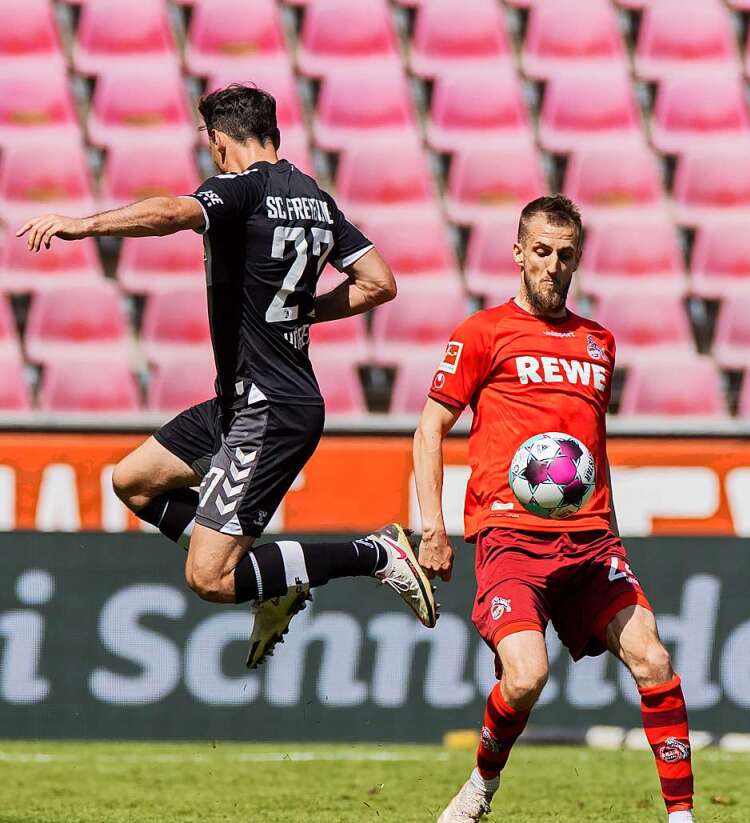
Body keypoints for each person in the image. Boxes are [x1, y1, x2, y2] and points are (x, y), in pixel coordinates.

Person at [18, 84, 437, 666]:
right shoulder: (314, 197)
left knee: (211, 579)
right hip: (241, 401)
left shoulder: (240, 188)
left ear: (217, 141)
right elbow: (379, 282)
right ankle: (275, 578)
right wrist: (304, 310)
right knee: (133, 481)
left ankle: (373, 553)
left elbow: (171, 212)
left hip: (268, 406)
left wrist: (83, 226)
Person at [412, 195, 727, 823]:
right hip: (508, 537)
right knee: (525, 677)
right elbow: (430, 427)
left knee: (653, 657)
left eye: (565, 255)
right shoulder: (481, 333)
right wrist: (432, 527)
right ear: (517, 252)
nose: (553, 266)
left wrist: (605, 524)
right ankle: (478, 788)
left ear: (576, 260)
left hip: (589, 541)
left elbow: (588, 447)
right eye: (542, 252)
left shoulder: (597, 343)